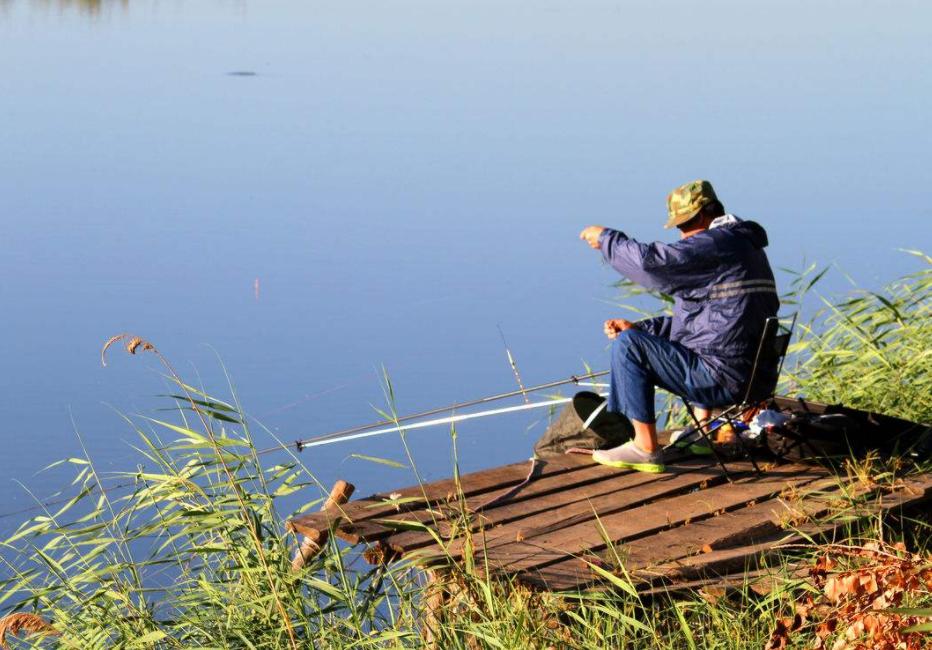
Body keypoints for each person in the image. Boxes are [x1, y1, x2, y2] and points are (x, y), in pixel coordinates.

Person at [579, 180, 779, 473]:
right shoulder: (744, 247)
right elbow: (707, 322)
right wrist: (642, 328)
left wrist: (608, 240)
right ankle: (705, 430)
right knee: (637, 337)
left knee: (627, 346)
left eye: (686, 224)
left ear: (705, 214)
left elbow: (652, 264)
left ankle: (645, 448)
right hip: (753, 378)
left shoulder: (717, 244)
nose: (683, 235)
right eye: (678, 227)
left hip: (723, 378)